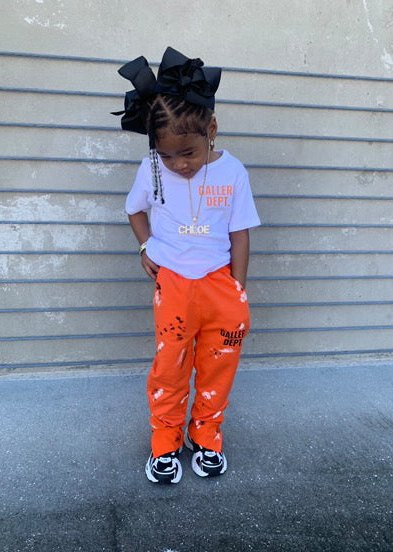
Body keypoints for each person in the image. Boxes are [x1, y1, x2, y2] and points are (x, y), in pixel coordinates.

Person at [112, 47, 261, 484]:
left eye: (189, 154)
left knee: (219, 365)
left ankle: (208, 435)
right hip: (174, 286)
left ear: (211, 130)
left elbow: (240, 233)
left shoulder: (233, 173)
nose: (180, 165)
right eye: (169, 156)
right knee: (171, 366)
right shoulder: (151, 168)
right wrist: (145, 248)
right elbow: (135, 211)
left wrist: (238, 288)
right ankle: (165, 441)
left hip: (220, 286)